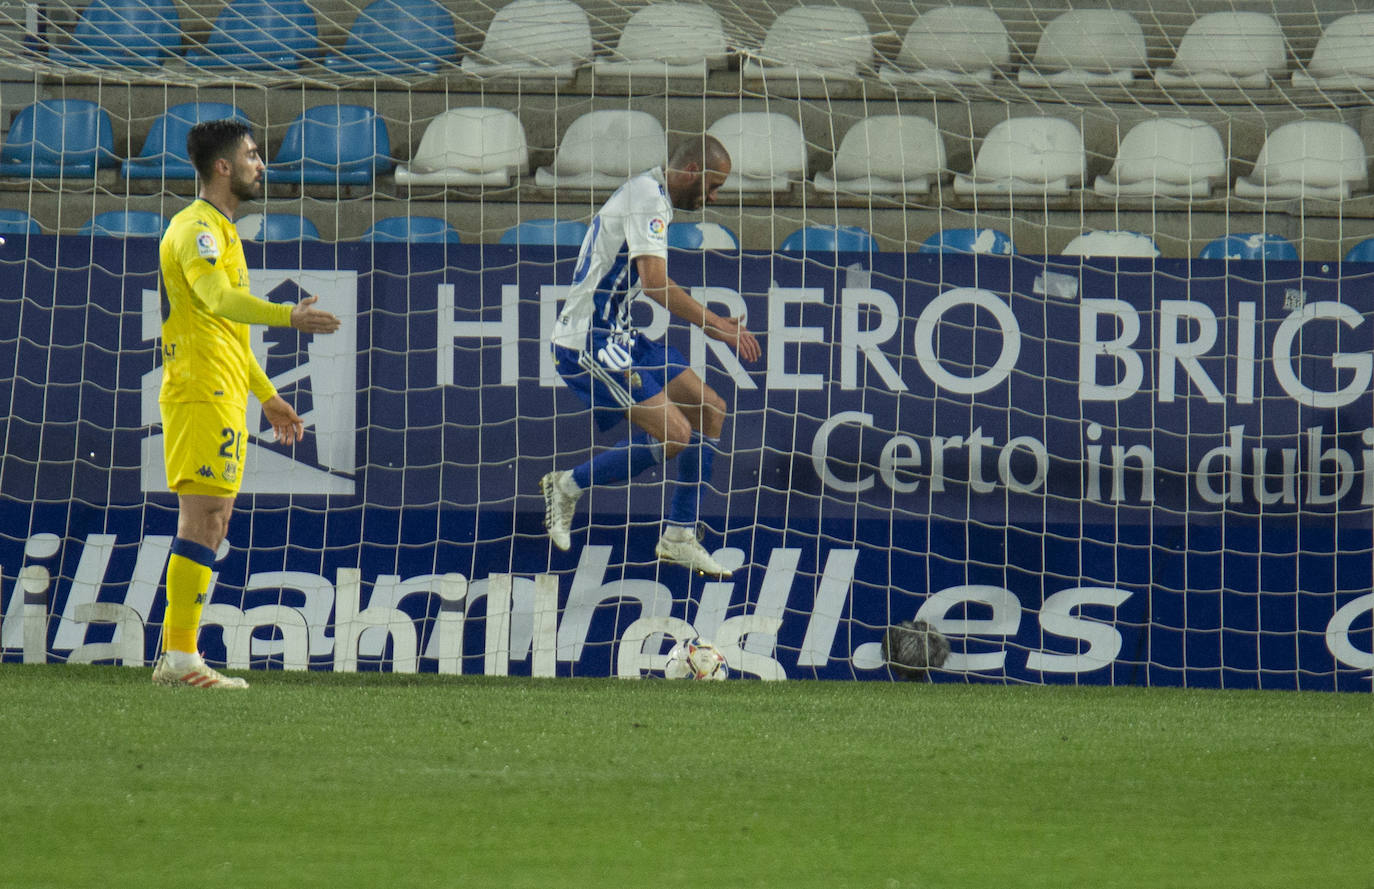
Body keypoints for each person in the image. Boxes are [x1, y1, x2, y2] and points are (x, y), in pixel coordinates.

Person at [151, 119, 340, 688]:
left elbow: (229, 327)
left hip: (226, 392)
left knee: (216, 518)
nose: (263, 165)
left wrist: (268, 395)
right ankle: (179, 658)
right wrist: (288, 316)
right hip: (198, 392)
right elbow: (217, 298)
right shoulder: (195, 230)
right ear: (224, 167)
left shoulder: (225, 233)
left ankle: (178, 656)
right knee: (203, 516)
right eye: (253, 156)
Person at [541, 134, 761, 578]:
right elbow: (656, 284)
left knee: (710, 409)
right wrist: (713, 324)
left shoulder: (652, 195)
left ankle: (679, 535)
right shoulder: (648, 197)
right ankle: (567, 486)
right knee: (674, 435)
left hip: (620, 331)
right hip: (587, 339)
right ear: (693, 171)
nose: (716, 196)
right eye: (714, 185)